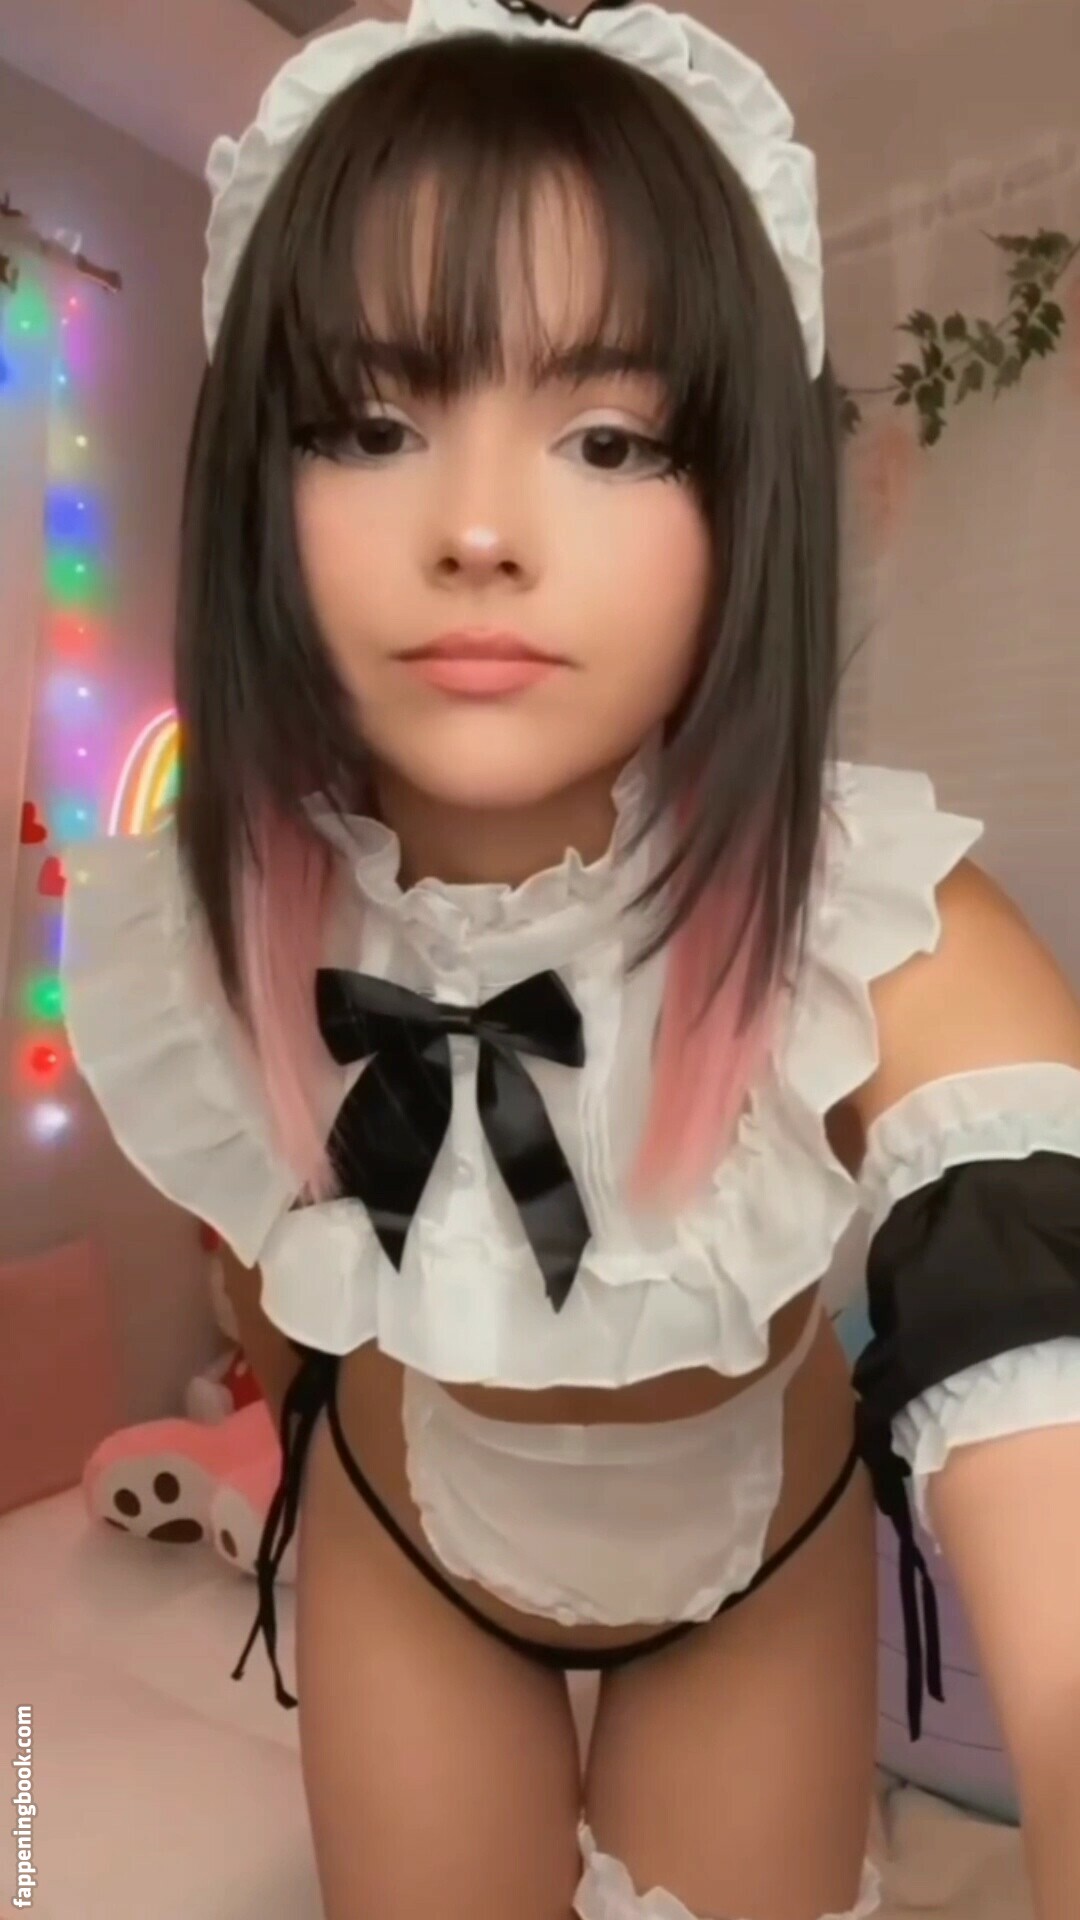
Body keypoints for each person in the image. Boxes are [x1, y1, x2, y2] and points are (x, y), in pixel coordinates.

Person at [60, 0, 1080, 1914]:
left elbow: (1043, 1346)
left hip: (748, 1580)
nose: (477, 529)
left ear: (744, 496)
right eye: (370, 425)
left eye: (611, 438)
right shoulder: (204, 928)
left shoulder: (882, 926)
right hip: (405, 1553)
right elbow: (281, 1285)